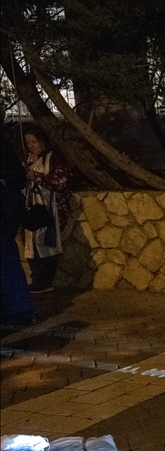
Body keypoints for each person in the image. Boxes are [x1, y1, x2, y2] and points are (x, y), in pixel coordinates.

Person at [21, 127, 76, 294]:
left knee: (46, 243)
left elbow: (61, 181)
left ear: (42, 141)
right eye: (28, 142)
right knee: (30, 243)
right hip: (32, 207)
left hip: (50, 209)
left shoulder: (55, 158)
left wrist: (37, 177)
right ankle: (37, 277)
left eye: (34, 142)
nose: (32, 146)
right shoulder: (29, 160)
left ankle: (45, 280)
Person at [2, 131, 36, 327]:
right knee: (7, 254)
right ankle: (17, 308)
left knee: (5, 254)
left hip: (5, 202)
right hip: (10, 202)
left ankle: (18, 309)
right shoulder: (5, 144)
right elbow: (18, 175)